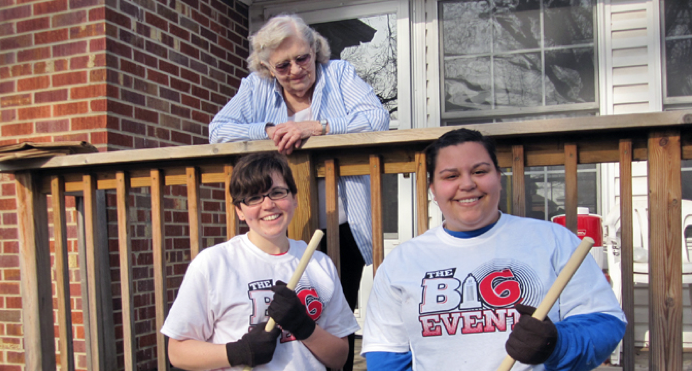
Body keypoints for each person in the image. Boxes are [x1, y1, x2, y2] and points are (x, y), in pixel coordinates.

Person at [208, 14, 390, 370]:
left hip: (341, 228)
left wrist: (318, 127)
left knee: (334, 315)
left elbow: (376, 118)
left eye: (302, 58)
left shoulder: (339, 75)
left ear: (315, 50)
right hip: (279, 227)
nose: (295, 70)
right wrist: (271, 130)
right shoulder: (255, 87)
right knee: (275, 312)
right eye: (282, 64)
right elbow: (219, 131)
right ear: (267, 67)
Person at [361, 128, 627, 371]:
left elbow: (605, 322)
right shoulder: (402, 262)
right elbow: (386, 355)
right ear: (433, 189)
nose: (467, 184)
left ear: (498, 179)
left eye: (479, 171)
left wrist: (557, 343)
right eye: (451, 176)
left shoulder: (553, 240)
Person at [161, 152, 359, 370]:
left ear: (294, 198)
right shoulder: (214, 264)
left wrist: (304, 327)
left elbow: (339, 357)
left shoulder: (319, 263)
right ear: (240, 211)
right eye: (254, 197)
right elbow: (177, 352)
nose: (268, 204)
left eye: (277, 192)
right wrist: (239, 351)